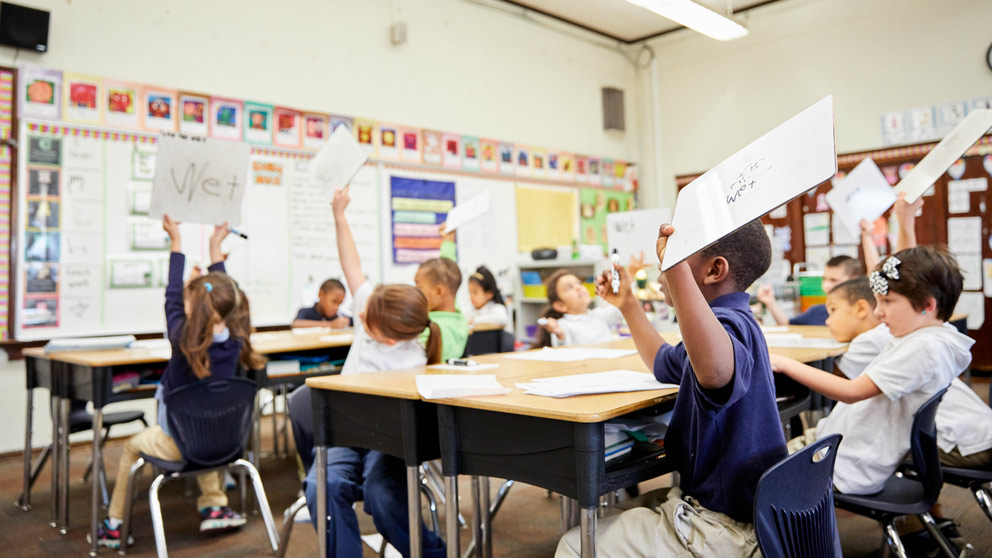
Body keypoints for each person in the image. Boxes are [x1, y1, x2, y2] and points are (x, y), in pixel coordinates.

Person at [556, 220, 786, 557]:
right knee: (603, 520)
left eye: (673, 259)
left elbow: (715, 372)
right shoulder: (723, 325)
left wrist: (676, 271)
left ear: (714, 271)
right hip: (735, 510)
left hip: (727, 526)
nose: (661, 272)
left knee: (575, 545)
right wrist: (628, 304)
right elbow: (663, 362)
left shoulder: (730, 325)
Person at [95, 218, 265, 548]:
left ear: (191, 307)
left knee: (132, 447)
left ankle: (114, 525)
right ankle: (214, 506)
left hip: (183, 444)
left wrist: (176, 241)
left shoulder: (181, 337)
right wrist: (215, 248)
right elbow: (227, 297)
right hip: (224, 441)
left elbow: (172, 293)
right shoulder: (238, 338)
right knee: (203, 423)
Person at [303, 184, 446, 558]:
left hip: (389, 443)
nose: (359, 315)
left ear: (391, 338)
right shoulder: (373, 308)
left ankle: (430, 553)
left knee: (383, 496)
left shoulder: (413, 361)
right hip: (345, 434)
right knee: (322, 487)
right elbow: (350, 263)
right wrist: (339, 214)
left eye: (366, 319)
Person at [771, 245, 971, 494]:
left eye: (887, 301)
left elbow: (851, 392)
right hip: (844, 449)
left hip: (844, 463)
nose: (878, 312)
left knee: (756, 472)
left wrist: (785, 363)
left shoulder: (923, 347)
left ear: (927, 305)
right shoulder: (930, 336)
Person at [413, 225, 468, 361]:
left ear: (438, 291)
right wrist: (448, 240)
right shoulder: (456, 314)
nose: (415, 292)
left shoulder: (429, 331)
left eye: (419, 287)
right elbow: (448, 271)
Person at [757, 255, 860, 325]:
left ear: (853, 279)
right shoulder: (817, 312)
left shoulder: (859, 314)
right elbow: (788, 324)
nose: (827, 285)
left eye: (834, 280)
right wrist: (770, 302)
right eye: (824, 279)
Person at [535, 269, 622, 347]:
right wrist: (560, 335)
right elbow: (563, 350)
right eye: (569, 287)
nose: (578, 288)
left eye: (579, 283)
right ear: (560, 305)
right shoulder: (563, 325)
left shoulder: (599, 315)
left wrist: (616, 293)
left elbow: (621, 307)